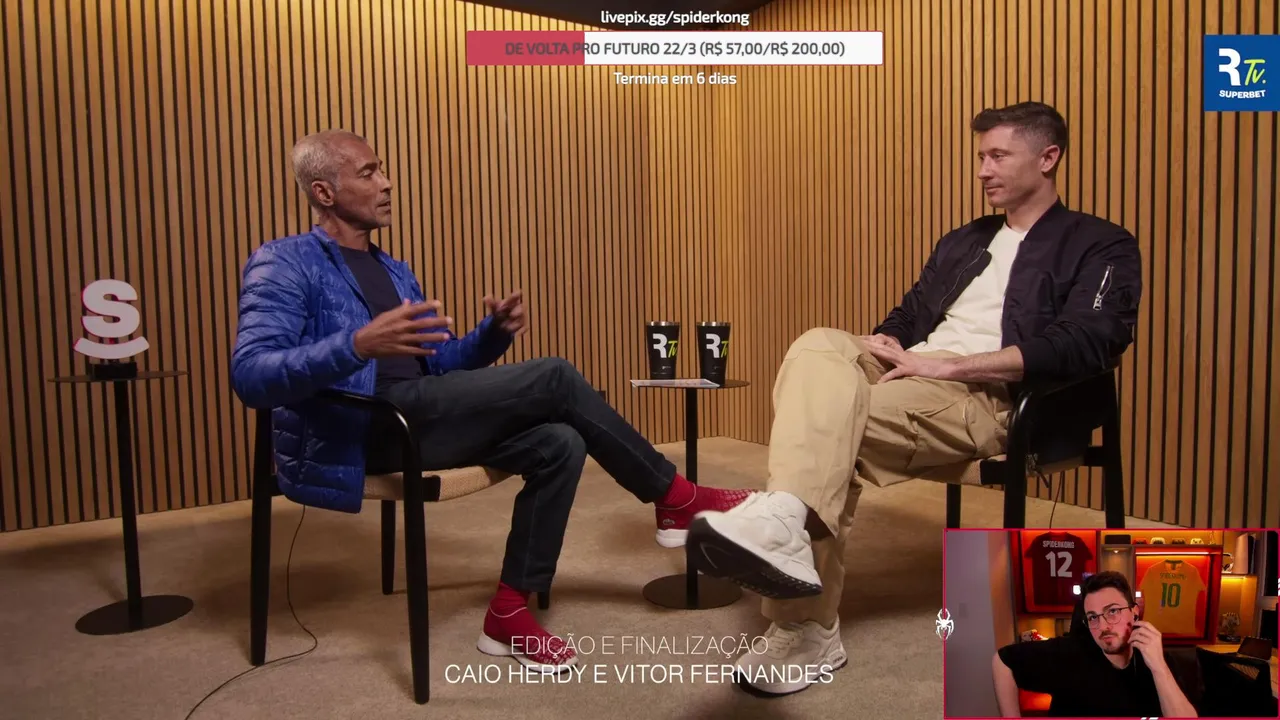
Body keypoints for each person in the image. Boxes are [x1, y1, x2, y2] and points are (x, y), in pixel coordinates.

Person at [230, 129, 756, 672]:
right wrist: (357, 344)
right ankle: (675, 497)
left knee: (560, 442)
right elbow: (251, 375)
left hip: (417, 415)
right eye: (368, 173)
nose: (386, 183)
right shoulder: (284, 262)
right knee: (554, 376)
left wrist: (492, 335)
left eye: (382, 169)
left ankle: (508, 612)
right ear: (324, 192)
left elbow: (439, 365)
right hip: (357, 431)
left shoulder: (394, 270)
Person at [684, 101, 1144, 695]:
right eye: (980, 156)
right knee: (818, 344)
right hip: (912, 373)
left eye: (998, 156)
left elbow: (1089, 341)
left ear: (1048, 157)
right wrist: (888, 344)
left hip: (986, 394)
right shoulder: (964, 241)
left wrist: (947, 365)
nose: (982, 169)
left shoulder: (1100, 244)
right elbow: (910, 315)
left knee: (831, 432)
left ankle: (805, 621)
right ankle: (786, 523)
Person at [991, 571, 1201, 717]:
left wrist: (1159, 668)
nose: (1103, 626)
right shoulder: (1070, 654)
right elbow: (1003, 660)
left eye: (1113, 611)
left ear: (1134, 612)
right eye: (1093, 617)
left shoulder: (1157, 661)